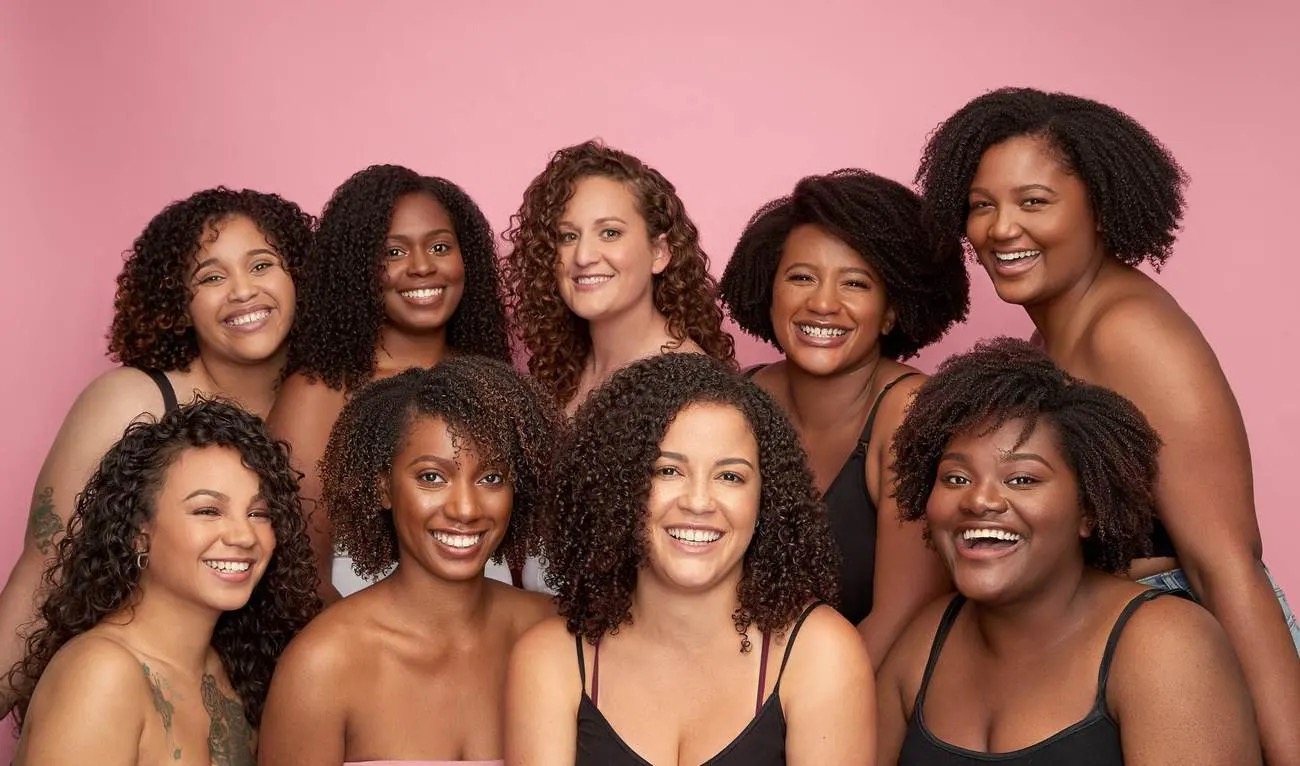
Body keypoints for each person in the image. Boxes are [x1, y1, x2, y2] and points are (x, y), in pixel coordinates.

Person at [916, 86, 1300, 762]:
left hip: (1174, 645)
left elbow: (1227, 563)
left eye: (1034, 202)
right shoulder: (1049, 341)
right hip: (1081, 635)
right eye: (982, 205)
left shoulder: (1131, 333)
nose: (1001, 229)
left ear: (1099, 206)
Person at [0, 187, 312, 712]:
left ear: (300, 277)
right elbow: (43, 576)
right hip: (134, 706)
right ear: (177, 303)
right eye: (210, 277)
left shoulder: (333, 408)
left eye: (262, 265)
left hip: (270, 708)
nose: (242, 291)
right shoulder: (134, 402)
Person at [876, 338, 1258, 765]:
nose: (979, 500)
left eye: (1022, 479)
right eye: (956, 478)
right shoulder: (927, 640)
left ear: (1088, 510)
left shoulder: (1165, 645)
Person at [506, 353, 874, 765]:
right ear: (618, 487)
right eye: (668, 471)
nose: (699, 502)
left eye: (730, 476)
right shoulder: (550, 660)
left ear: (765, 500)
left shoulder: (820, 655)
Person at [718, 168, 969, 664]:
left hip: (856, 687)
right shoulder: (735, 399)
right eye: (801, 277)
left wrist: (790, 705)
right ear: (770, 291)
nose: (823, 303)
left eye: (855, 283)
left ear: (891, 311)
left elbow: (901, 619)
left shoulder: (911, 414)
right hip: (731, 675)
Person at [258, 357, 557, 766]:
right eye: (432, 477)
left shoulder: (553, 633)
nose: (465, 509)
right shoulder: (323, 664)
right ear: (383, 487)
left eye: (491, 478)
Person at [5, 398, 321, 765]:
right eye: (208, 510)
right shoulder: (101, 674)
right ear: (139, 534)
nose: (244, 536)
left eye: (259, 513)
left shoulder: (235, 669)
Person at [265, 165, 512, 601]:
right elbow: (297, 569)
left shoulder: (494, 380)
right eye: (394, 253)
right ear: (358, 268)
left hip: (495, 622)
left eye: (440, 246)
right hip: (364, 630)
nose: (422, 266)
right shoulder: (321, 393)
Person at [501, 139, 735, 414]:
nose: (583, 256)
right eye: (568, 236)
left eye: (610, 233)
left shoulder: (693, 391)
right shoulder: (565, 370)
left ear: (659, 252)